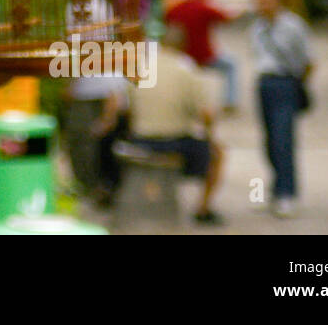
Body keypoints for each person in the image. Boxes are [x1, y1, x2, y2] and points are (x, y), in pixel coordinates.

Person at [125, 23, 225, 224]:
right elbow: (206, 113)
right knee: (218, 155)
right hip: (175, 142)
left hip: (139, 140)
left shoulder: (142, 66)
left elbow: (126, 107)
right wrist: (210, 136)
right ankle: (203, 209)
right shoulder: (186, 68)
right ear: (183, 45)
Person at [250, 0, 312, 218]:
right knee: (269, 140)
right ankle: (276, 188)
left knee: (283, 139)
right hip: (264, 84)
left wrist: (297, 84)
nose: (262, 4)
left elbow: (308, 60)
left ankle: (287, 193)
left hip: (286, 83)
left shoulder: (293, 26)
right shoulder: (257, 28)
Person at [166, 0, 238, 111]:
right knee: (231, 65)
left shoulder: (177, 7)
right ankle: (230, 102)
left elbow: (166, 20)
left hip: (181, 54)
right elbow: (227, 18)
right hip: (204, 56)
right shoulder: (205, 7)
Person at [63, 73, 129, 209]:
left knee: (92, 146)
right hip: (84, 97)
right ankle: (89, 188)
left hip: (99, 99)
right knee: (80, 145)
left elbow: (114, 88)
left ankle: (98, 189)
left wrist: (108, 117)